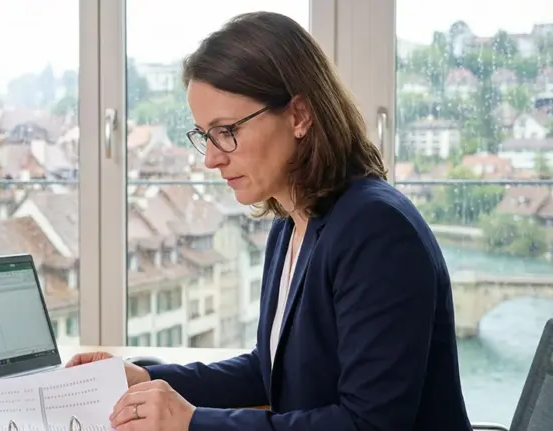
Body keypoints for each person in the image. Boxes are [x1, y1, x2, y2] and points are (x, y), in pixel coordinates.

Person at [67, 11, 472, 431]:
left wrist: (193, 423)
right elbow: (270, 370)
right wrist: (148, 379)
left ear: (299, 115)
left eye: (226, 131)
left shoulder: (376, 230)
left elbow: (368, 425)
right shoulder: (291, 222)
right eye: (205, 135)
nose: (211, 158)